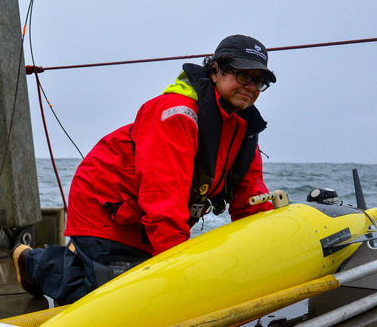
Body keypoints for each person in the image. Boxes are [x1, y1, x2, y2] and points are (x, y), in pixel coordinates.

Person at [14, 34, 277, 304]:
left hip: (150, 216)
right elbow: (163, 198)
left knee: (145, 290)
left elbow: (251, 204)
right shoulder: (176, 114)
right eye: (243, 75)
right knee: (115, 303)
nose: (251, 86)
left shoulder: (244, 131)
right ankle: (35, 263)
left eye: (259, 81)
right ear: (215, 70)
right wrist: (179, 274)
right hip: (107, 204)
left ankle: (81, 260)